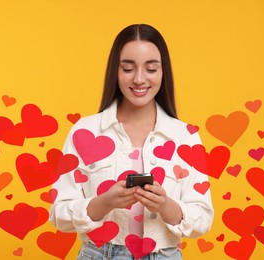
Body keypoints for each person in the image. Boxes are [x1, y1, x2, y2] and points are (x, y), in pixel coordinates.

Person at [49, 24, 214, 260]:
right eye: (128, 68)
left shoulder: (185, 136)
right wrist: (104, 202)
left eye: (151, 69)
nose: (139, 79)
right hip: (99, 254)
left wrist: (165, 205)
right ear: (115, 72)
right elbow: (58, 213)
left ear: (163, 72)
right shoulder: (84, 131)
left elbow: (203, 218)